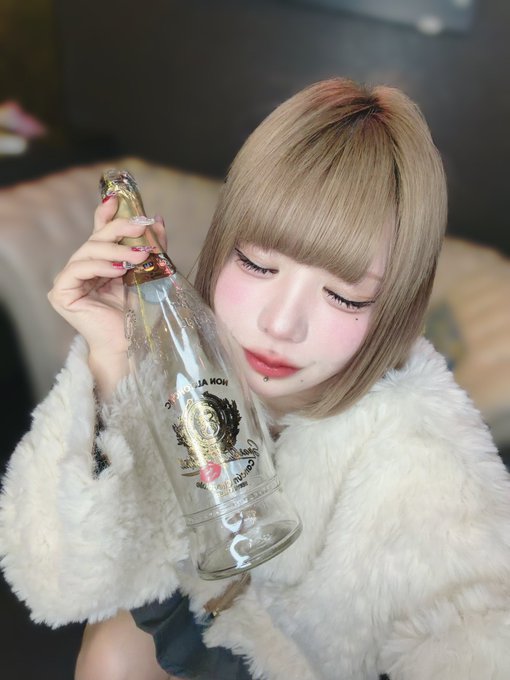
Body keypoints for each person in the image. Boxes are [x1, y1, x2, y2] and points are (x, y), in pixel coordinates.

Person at [1, 78, 510, 680]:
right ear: (221, 247)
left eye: (345, 297)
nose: (281, 323)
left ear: (395, 311)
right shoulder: (178, 368)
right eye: (258, 264)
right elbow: (60, 578)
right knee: (116, 646)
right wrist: (112, 359)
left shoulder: (430, 475)